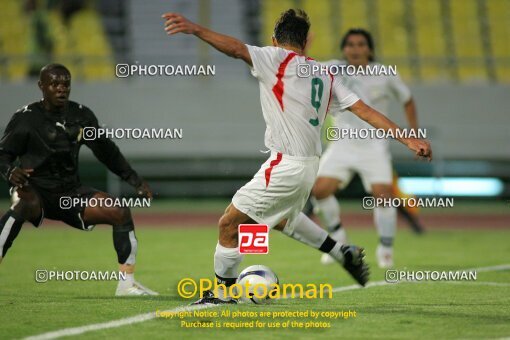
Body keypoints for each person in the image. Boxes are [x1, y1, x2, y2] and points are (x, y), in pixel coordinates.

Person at [162, 9, 431, 304]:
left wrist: (196, 29)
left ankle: (222, 294)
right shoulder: (326, 73)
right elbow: (364, 110)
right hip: (306, 166)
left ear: (274, 40)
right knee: (282, 220)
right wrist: (408, 138)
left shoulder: (274, 58)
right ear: (304, 43)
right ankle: (342, 252)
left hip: (285, 164)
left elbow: (237, 49)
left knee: (229, 224)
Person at [0, 63, 157, 296]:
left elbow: (106, 151)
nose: (61, 88)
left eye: (66, 84)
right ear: (41, 86)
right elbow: (3, 155)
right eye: (54, 84)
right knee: (22, 205)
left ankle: (126, 284)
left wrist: (134, 179)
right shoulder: (26, 119)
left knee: (119, 211)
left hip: (70, 193)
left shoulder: (81, 115)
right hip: (35, 190)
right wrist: (10, 171)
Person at [310, 29, 425, 268]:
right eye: (350, 44)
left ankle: (385, 248)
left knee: (384, 196)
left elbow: (408, 99)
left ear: (370, 49)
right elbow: (300, 67)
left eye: (361, 44)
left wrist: (414, 133)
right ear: (344, 49)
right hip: (341, 144)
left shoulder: (385, 74)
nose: (355, 49)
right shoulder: (333, 68)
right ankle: (338, 236)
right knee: (319, 190)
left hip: (374, 147)